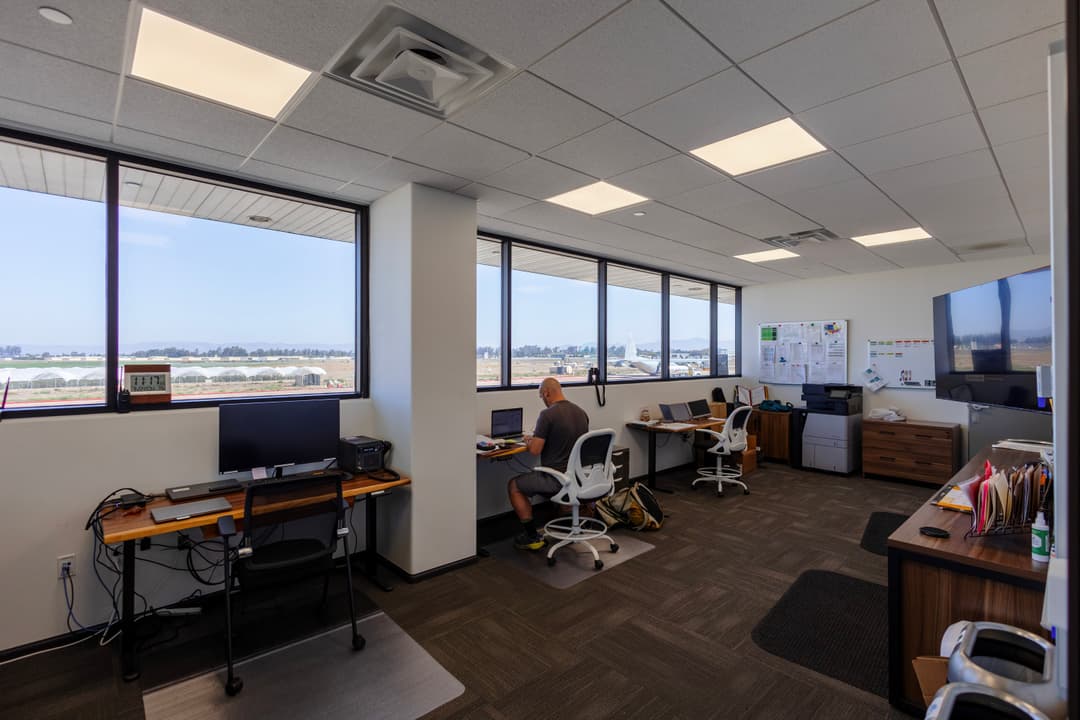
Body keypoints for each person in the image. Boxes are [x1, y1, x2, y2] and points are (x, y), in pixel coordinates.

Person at [508, 377, 590, 550]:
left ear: (546, 393)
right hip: (578, 477)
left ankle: (531, 537)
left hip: (557, 480)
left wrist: (529, 440)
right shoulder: (581, 412)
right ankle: (570, 521)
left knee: (514, 485)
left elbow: (535, 451)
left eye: (541, 396)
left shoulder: (547, 415)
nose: (543, 400)